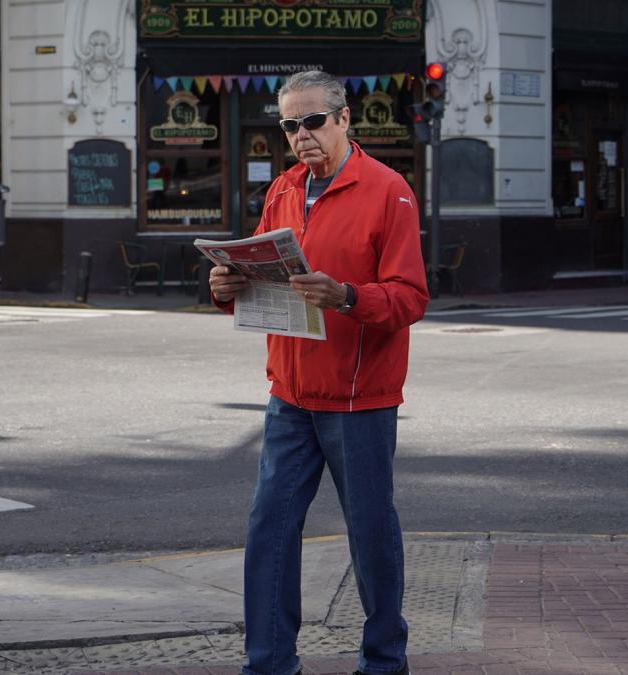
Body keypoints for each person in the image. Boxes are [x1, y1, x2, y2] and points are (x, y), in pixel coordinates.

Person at [209, 69, 427, 675]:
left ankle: (384, 660)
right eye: (289, 124)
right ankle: (270, 663)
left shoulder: (389, 191)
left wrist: (348, 297)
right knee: (268, 528)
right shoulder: (282, 189)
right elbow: (258, 276)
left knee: (370, 533)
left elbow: (410, 298)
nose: (301, 135)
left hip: (359, 398)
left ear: (343, 119)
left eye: (312, 121)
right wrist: (226, 286)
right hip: (289, 395)